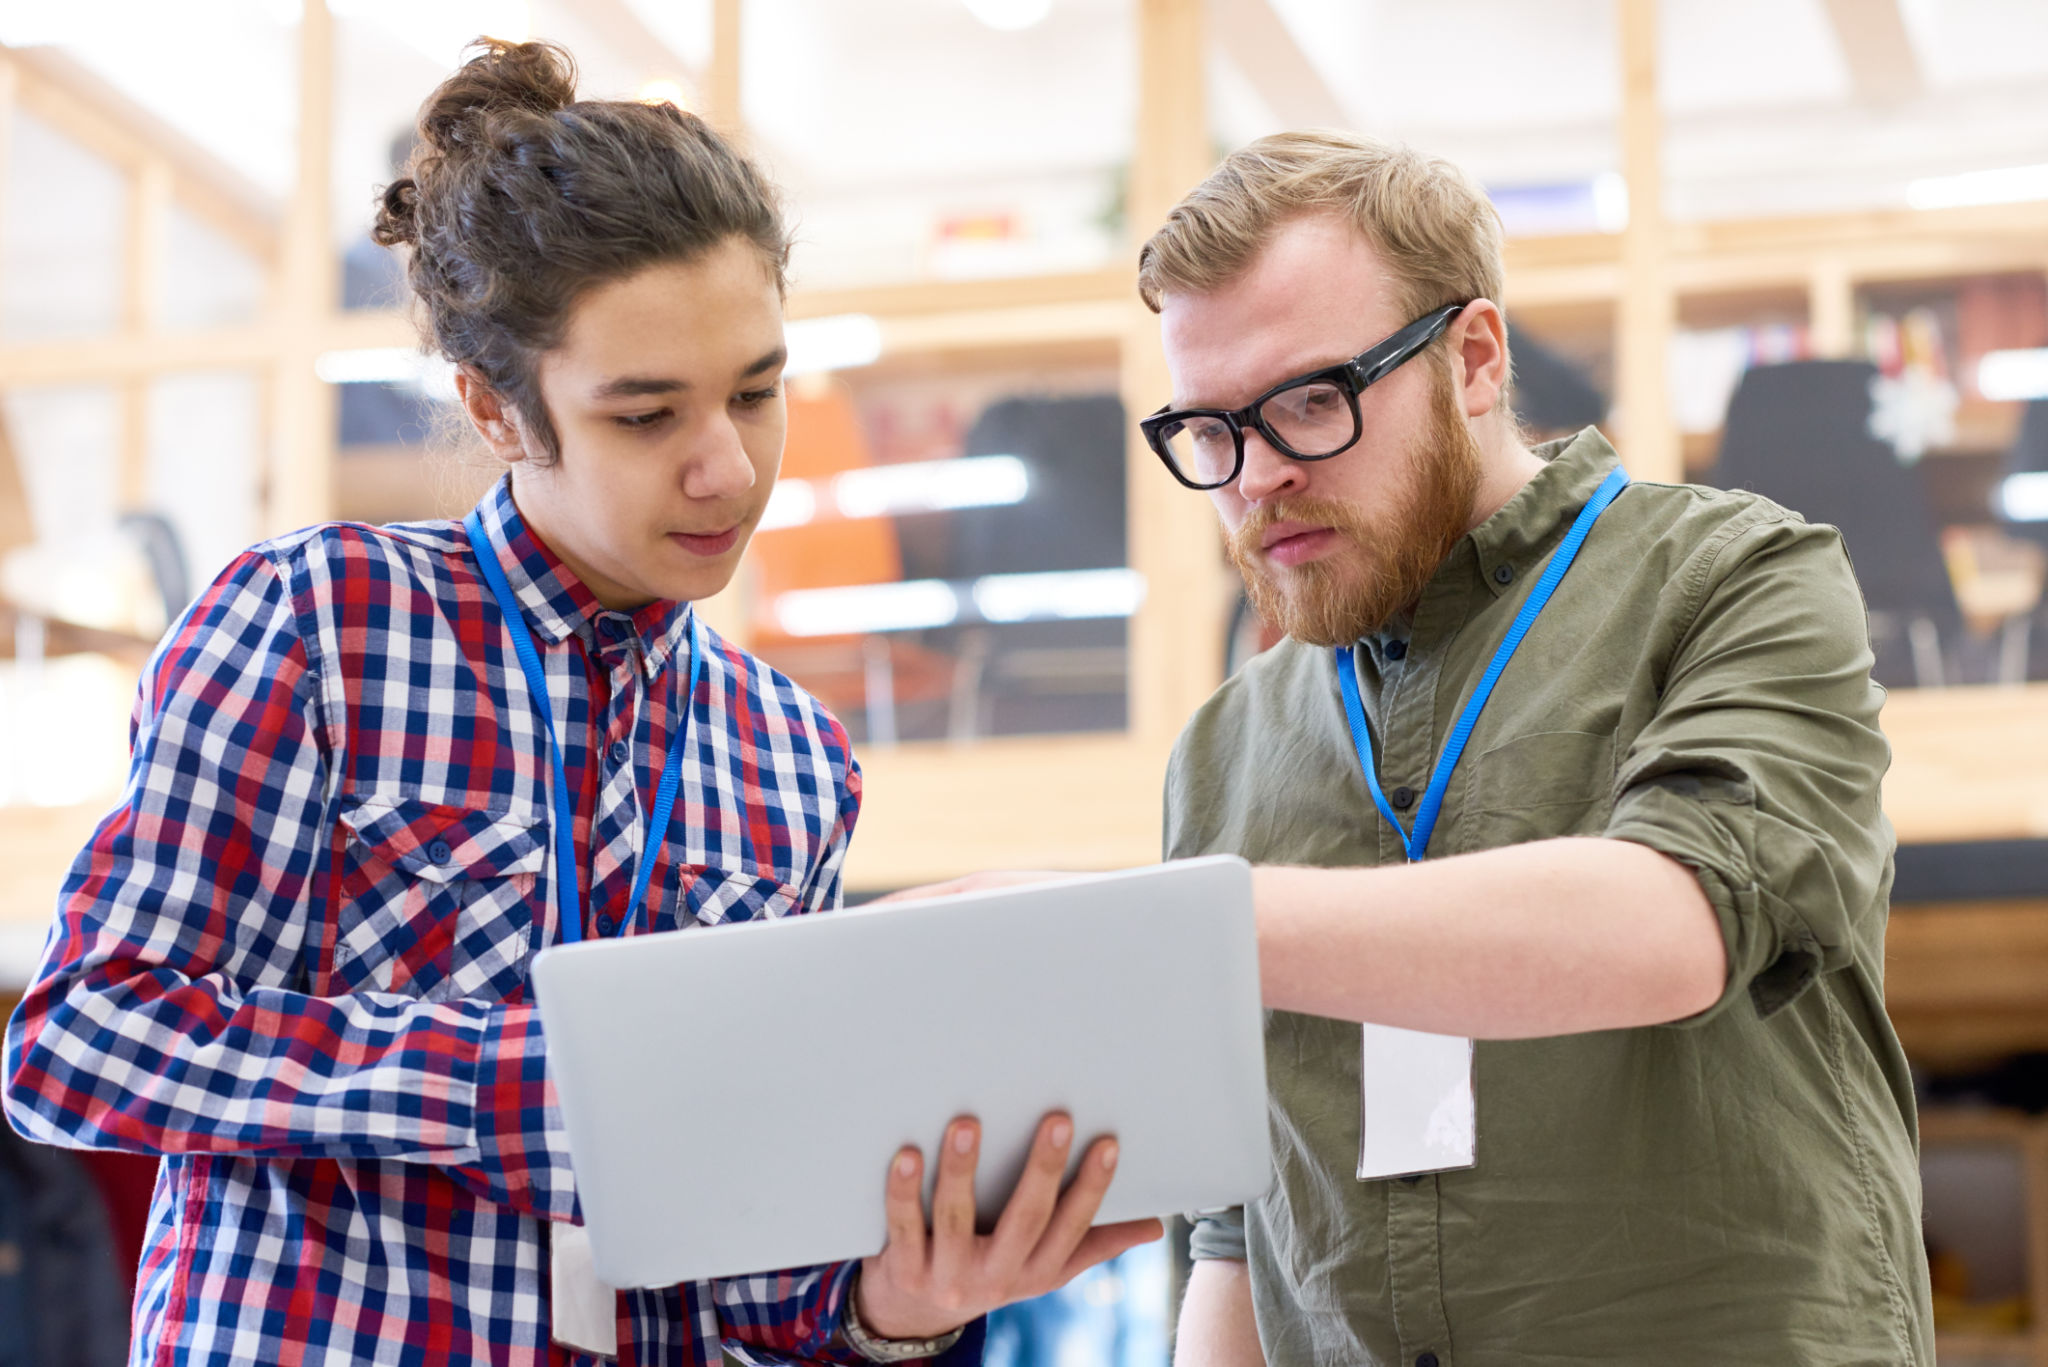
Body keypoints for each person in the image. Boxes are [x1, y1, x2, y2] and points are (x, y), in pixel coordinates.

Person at [2, 40, 1156, 1367]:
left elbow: (745, 1265)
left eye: (758, 391)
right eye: (646, 413)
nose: (727, 467)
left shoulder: (794, 757)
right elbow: (77, 1036)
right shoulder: (317, 624)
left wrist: (890, 1299)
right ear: (497, 409)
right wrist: (518, 1078)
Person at [914, 131, 1935, 1364]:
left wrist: (1158, 932)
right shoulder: (1226, 745)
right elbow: (1237, 1236)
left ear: (1472, 359)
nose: (1259, 478)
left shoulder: (1736, 580)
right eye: (1210, 428)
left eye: (1308, 400)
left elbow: (1678, 921)